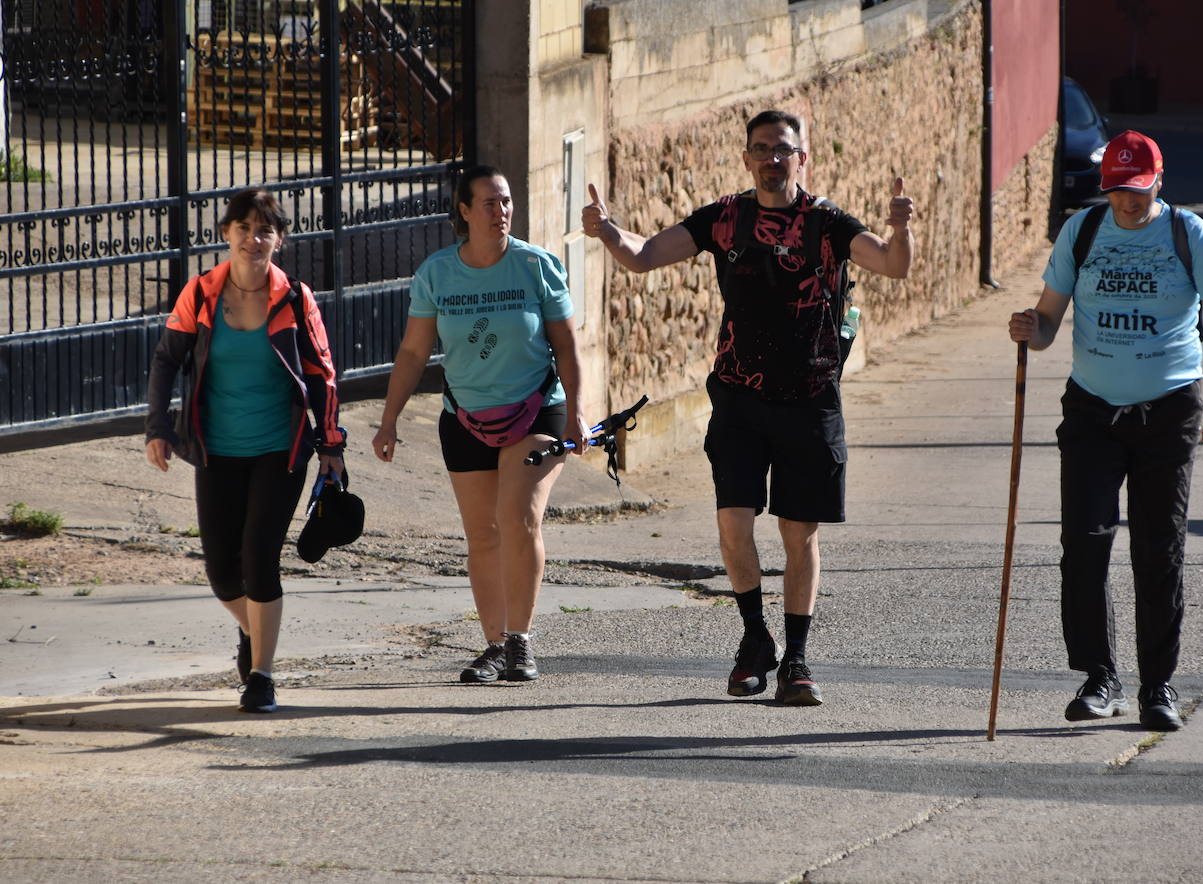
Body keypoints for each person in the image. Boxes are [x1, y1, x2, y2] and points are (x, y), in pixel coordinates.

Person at [582, 109, 912, 706]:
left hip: (810, 399)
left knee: (797, 531)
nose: (772, 159)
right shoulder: (725, 219)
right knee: (733, 521)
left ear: (802, 157)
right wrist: (608, 230)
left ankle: (798, 660)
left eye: (783, 149)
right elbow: (645, 254)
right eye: (761, 149)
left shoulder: (827, 222)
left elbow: (891, 264)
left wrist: (900, 228)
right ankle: (755, 639)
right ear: (747, 158)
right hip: (738, 395)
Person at [1008, 129, 1203, 732]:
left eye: (1138, 191)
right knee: (1084, 546)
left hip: (1168, 411)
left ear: (1158, 182)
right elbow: (1049, 320)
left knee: (1157, 552)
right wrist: (1029, 329)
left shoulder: (1188, 234)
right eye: (1117, 191)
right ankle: (1099, 676)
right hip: (1091, 411)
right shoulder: (1082, 232)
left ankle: (1157, 686)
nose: (1128, 202)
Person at [371, 164, 587, 685]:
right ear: (464, 212)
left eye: (506, 201)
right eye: (489, 203)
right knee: (483, 535)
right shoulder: (437, 274)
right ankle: (493, 646)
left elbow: (567, 345)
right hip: (465, 416)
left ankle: (520, 641)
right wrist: (389, 420)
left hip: (537, 409)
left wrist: (578, 410)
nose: (501, 211)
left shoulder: (537, 266)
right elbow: (413, 350)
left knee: (518, 518)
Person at [145, 188, 346, 714]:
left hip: (279, 449)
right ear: (226, 233)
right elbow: (167, 360)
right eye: (244, 228)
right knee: (221, 572)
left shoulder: (295, 299)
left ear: (278, 239)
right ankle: (254, 631)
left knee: (259, 558)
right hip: (216, 448)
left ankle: (262, 676)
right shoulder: (202, 292)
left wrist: (330, 443)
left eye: (265, 230)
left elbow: (323, 374)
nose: (253, 239)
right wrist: (157, 427)